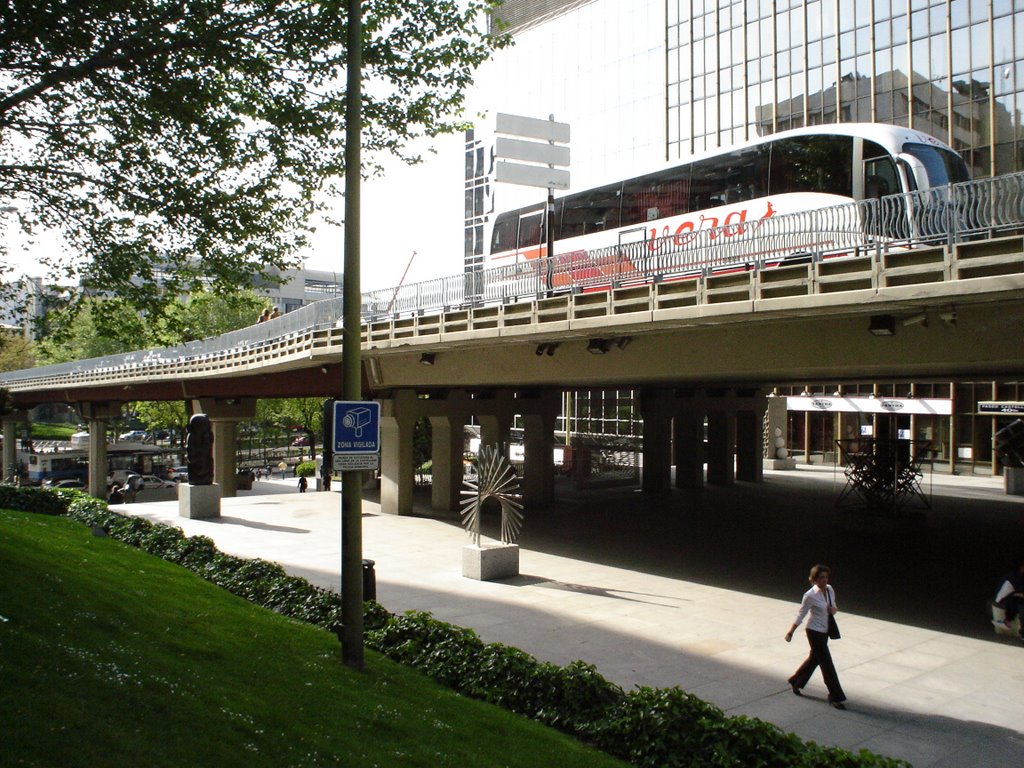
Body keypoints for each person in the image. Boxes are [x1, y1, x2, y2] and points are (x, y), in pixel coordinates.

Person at [785, 564, 848, 709]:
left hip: (825, 631)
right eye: (821, 578)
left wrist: (834, 610)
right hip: (814, 632)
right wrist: (791, 631)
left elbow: (834, 607)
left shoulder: (830, 589)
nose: (824, 580)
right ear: (814, 579)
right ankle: (835, 695)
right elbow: (801, 613)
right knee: (827, 664)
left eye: (826, 577)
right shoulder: (809, 595)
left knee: (814, 659)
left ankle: (796, 681)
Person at [993, 561, 1024, 638]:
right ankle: (1007, 622)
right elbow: (1001, 597)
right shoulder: (1014, 577)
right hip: (1003, 601)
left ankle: (1007, 621)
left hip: (1008, 599)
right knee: (1019, 605)